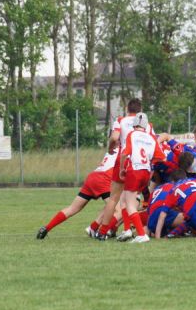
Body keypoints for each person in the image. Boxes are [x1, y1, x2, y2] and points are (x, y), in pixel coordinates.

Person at [95, 99, 154, 240]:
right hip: (141, 165)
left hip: (124, 161)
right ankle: (127, 229)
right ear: (141, 110)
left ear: (127, 108)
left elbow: (114, 137)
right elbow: (153, 142)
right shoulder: (148, 126)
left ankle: (103, 231)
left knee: (114, 199)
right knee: (130, 199)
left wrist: (110, 149)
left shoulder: (121, 120)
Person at [36, 149, 120, 239]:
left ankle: (46, 228)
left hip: (93, 177)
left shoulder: (114, 149)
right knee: (118, 208)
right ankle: (102, 232)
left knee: (72, 208)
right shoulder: (125, 149)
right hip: (103, 179)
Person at [117, 112, 165, 243]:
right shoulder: (151, 138)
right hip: (146, 173)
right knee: (123, 200)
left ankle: (141, 234)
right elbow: (161, 157)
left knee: (130, 205)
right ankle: (127, 230)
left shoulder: (131, 135)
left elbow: (124, 154)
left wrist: (122, 168)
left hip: (135, 170)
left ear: (134, 124)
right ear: (146, 125)